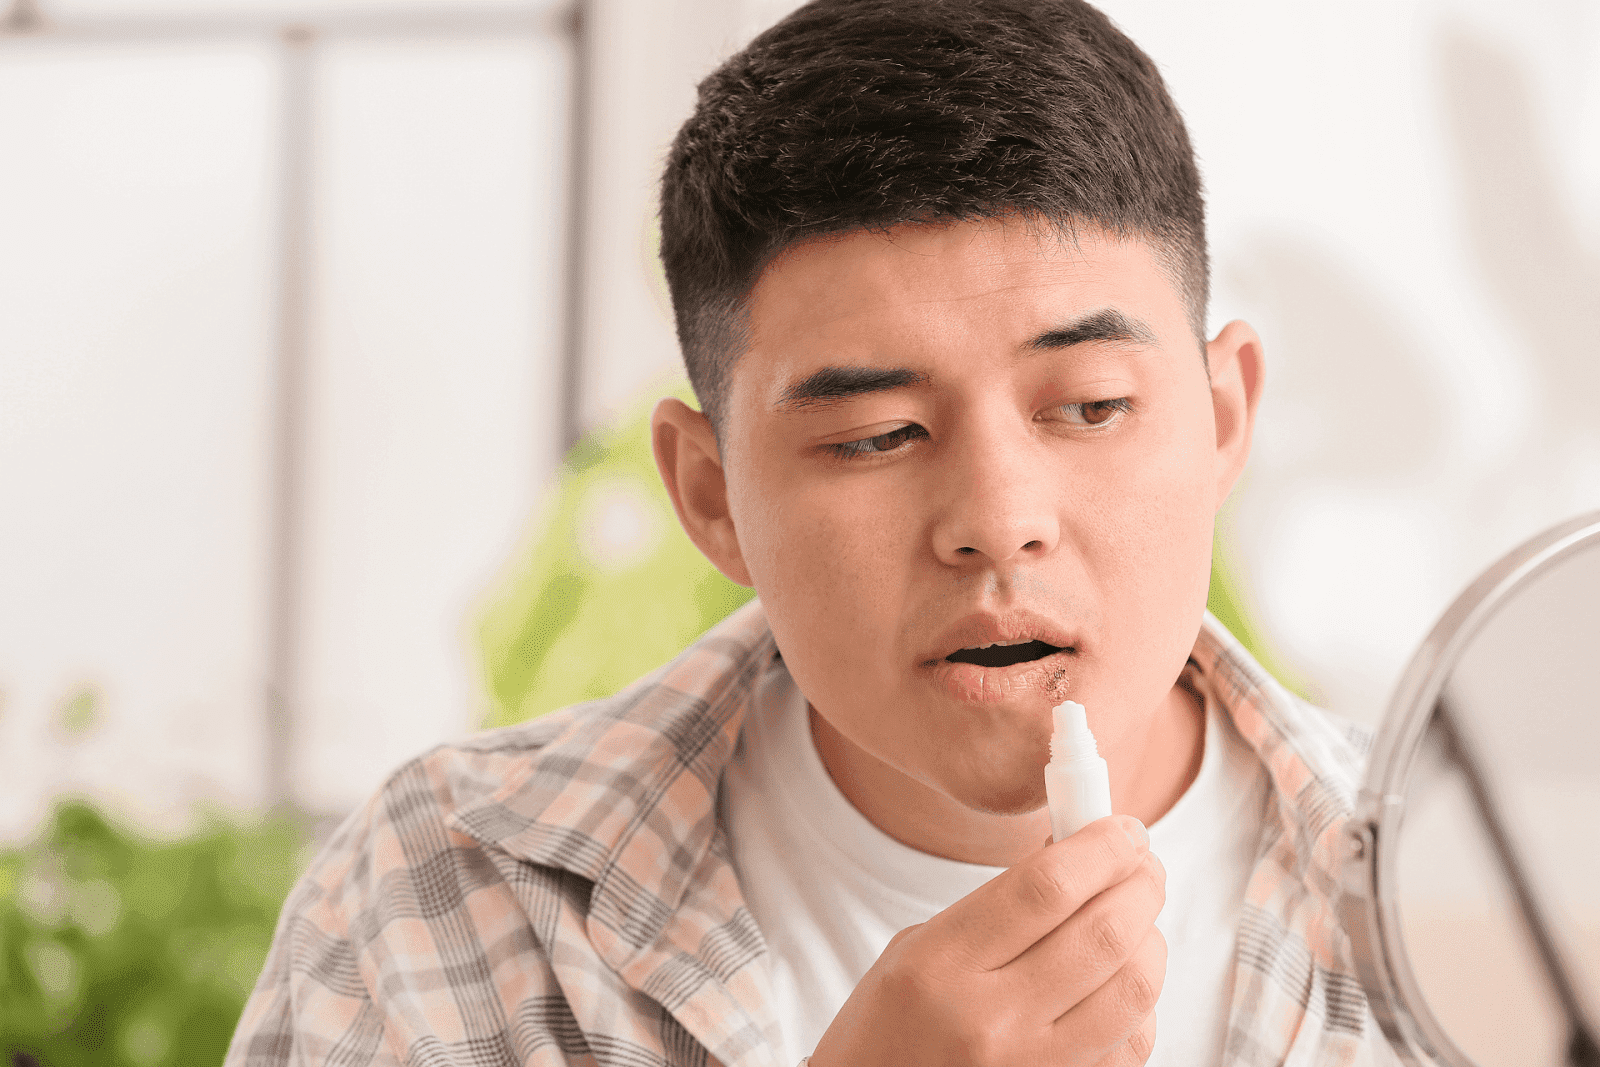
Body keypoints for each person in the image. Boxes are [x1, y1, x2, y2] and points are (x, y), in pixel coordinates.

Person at [227, 1, 1395, 1064]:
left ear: (1223, 417)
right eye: (877, 433)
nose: (998, 525)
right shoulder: (445, 893)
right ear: (710, 494)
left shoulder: (1448, 886)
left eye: (1090, 406)